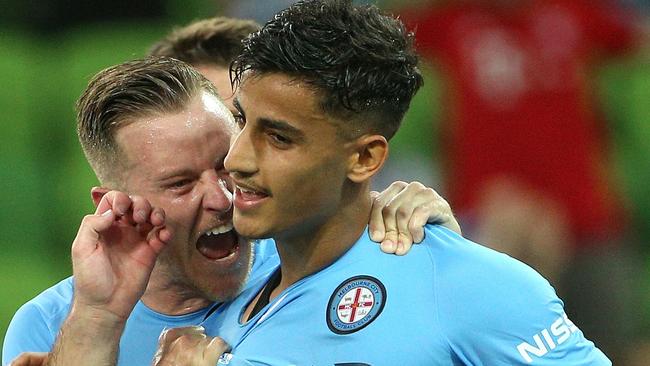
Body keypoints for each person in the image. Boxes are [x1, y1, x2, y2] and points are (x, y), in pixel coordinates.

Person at [40, 1, 609, 365]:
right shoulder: (214, 312)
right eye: (243, 124)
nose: (236, 162)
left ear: (364, 159)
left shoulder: (469, 285)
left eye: (278, 138)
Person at [2, 23, 460, 366]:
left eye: (227, 165)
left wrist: (443, 256)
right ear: (113, 205)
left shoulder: (318, 269)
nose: (223, 198)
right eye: (181, 184)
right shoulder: (52, 325)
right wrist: (99, 317)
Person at [390, 0, 645, 361]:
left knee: (608, 346)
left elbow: (633, 38)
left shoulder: (575, 12)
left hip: (584, 219)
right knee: (495, 348)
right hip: (488, 225)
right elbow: (376, 38)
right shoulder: (451, 20)